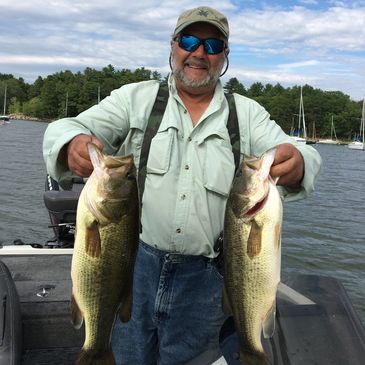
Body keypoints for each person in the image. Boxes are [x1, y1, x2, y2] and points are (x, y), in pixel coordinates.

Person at [43, 6, 322, 365]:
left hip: (207, 279)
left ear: (224, 57)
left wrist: (298, 163)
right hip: (136, 266)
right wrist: (71, 145)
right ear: (173, 46)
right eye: (189, 40)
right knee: (128, 356)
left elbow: (303, 154)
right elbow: (65, 127)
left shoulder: (247, 114)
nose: (199, 53)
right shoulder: (136, 99)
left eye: (212, 44)